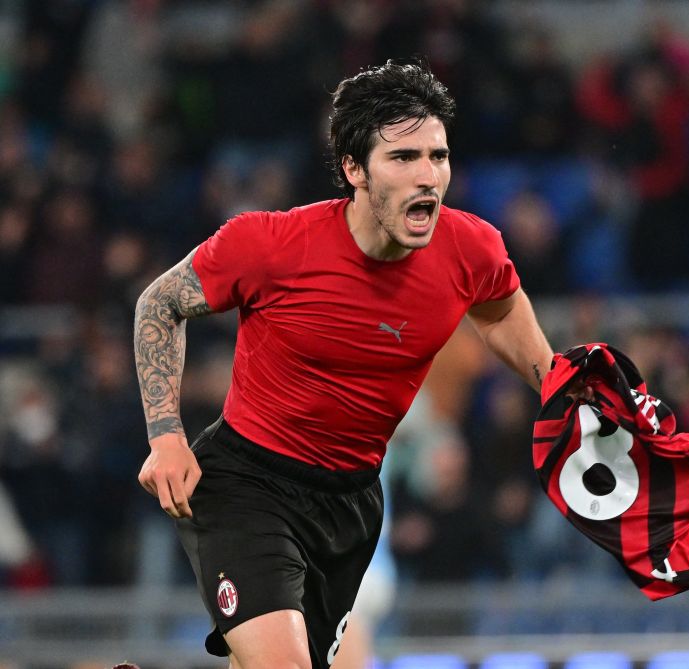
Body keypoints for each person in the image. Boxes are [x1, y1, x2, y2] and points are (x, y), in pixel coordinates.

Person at [132, 60, 554, 669]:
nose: (428, 175)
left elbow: (500, 310)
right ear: (354, 169)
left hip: (352, 503)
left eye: (437, 156)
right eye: (403, 157)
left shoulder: (471, 248)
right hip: (248, 485)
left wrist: (555, 382)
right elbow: (159, 303)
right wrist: (166, 436)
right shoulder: (270, 244)